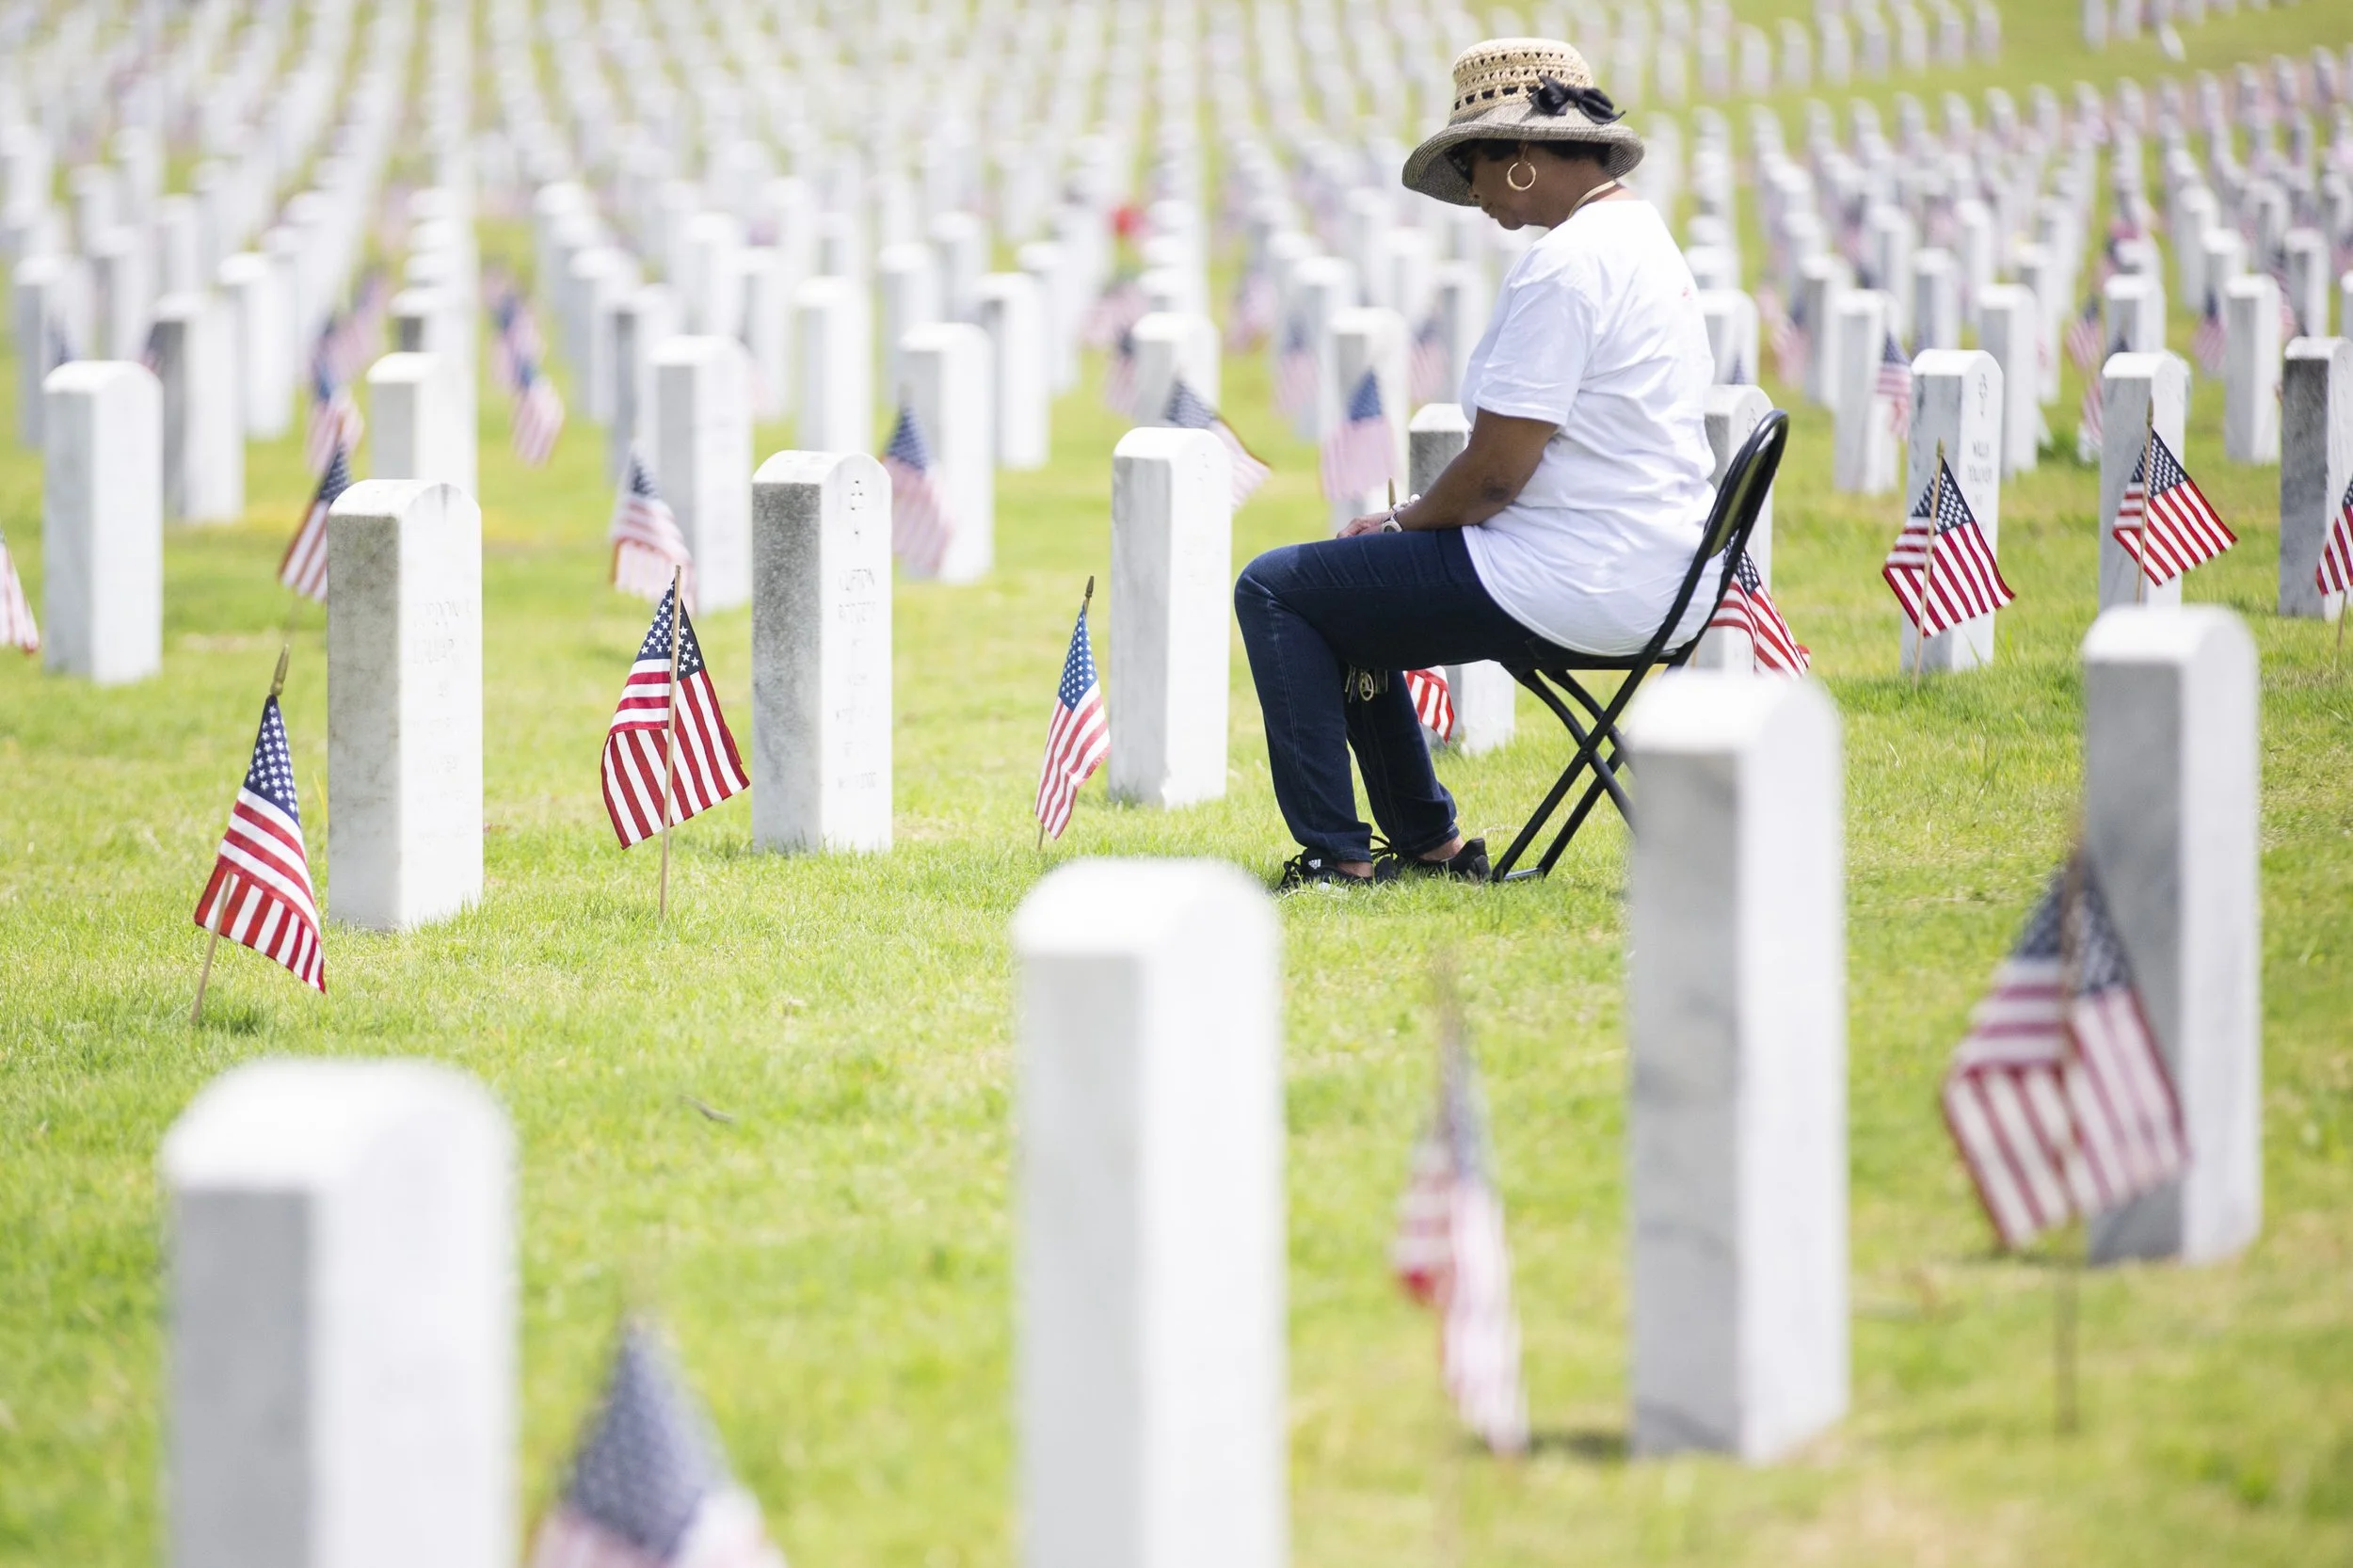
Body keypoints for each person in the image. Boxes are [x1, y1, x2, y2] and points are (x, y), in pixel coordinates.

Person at [1234, 37, 1719, 889]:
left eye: (1475, 167)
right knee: (1350, 591)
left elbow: (1497, 474)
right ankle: (1428, 845)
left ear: (1524, 155)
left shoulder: (1566, 265)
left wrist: (1398, 520)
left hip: (1575, 572)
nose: (1474, 195)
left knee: (1276, 587)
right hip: (1659, 569)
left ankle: (1336, 858)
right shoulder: (1639, 236)